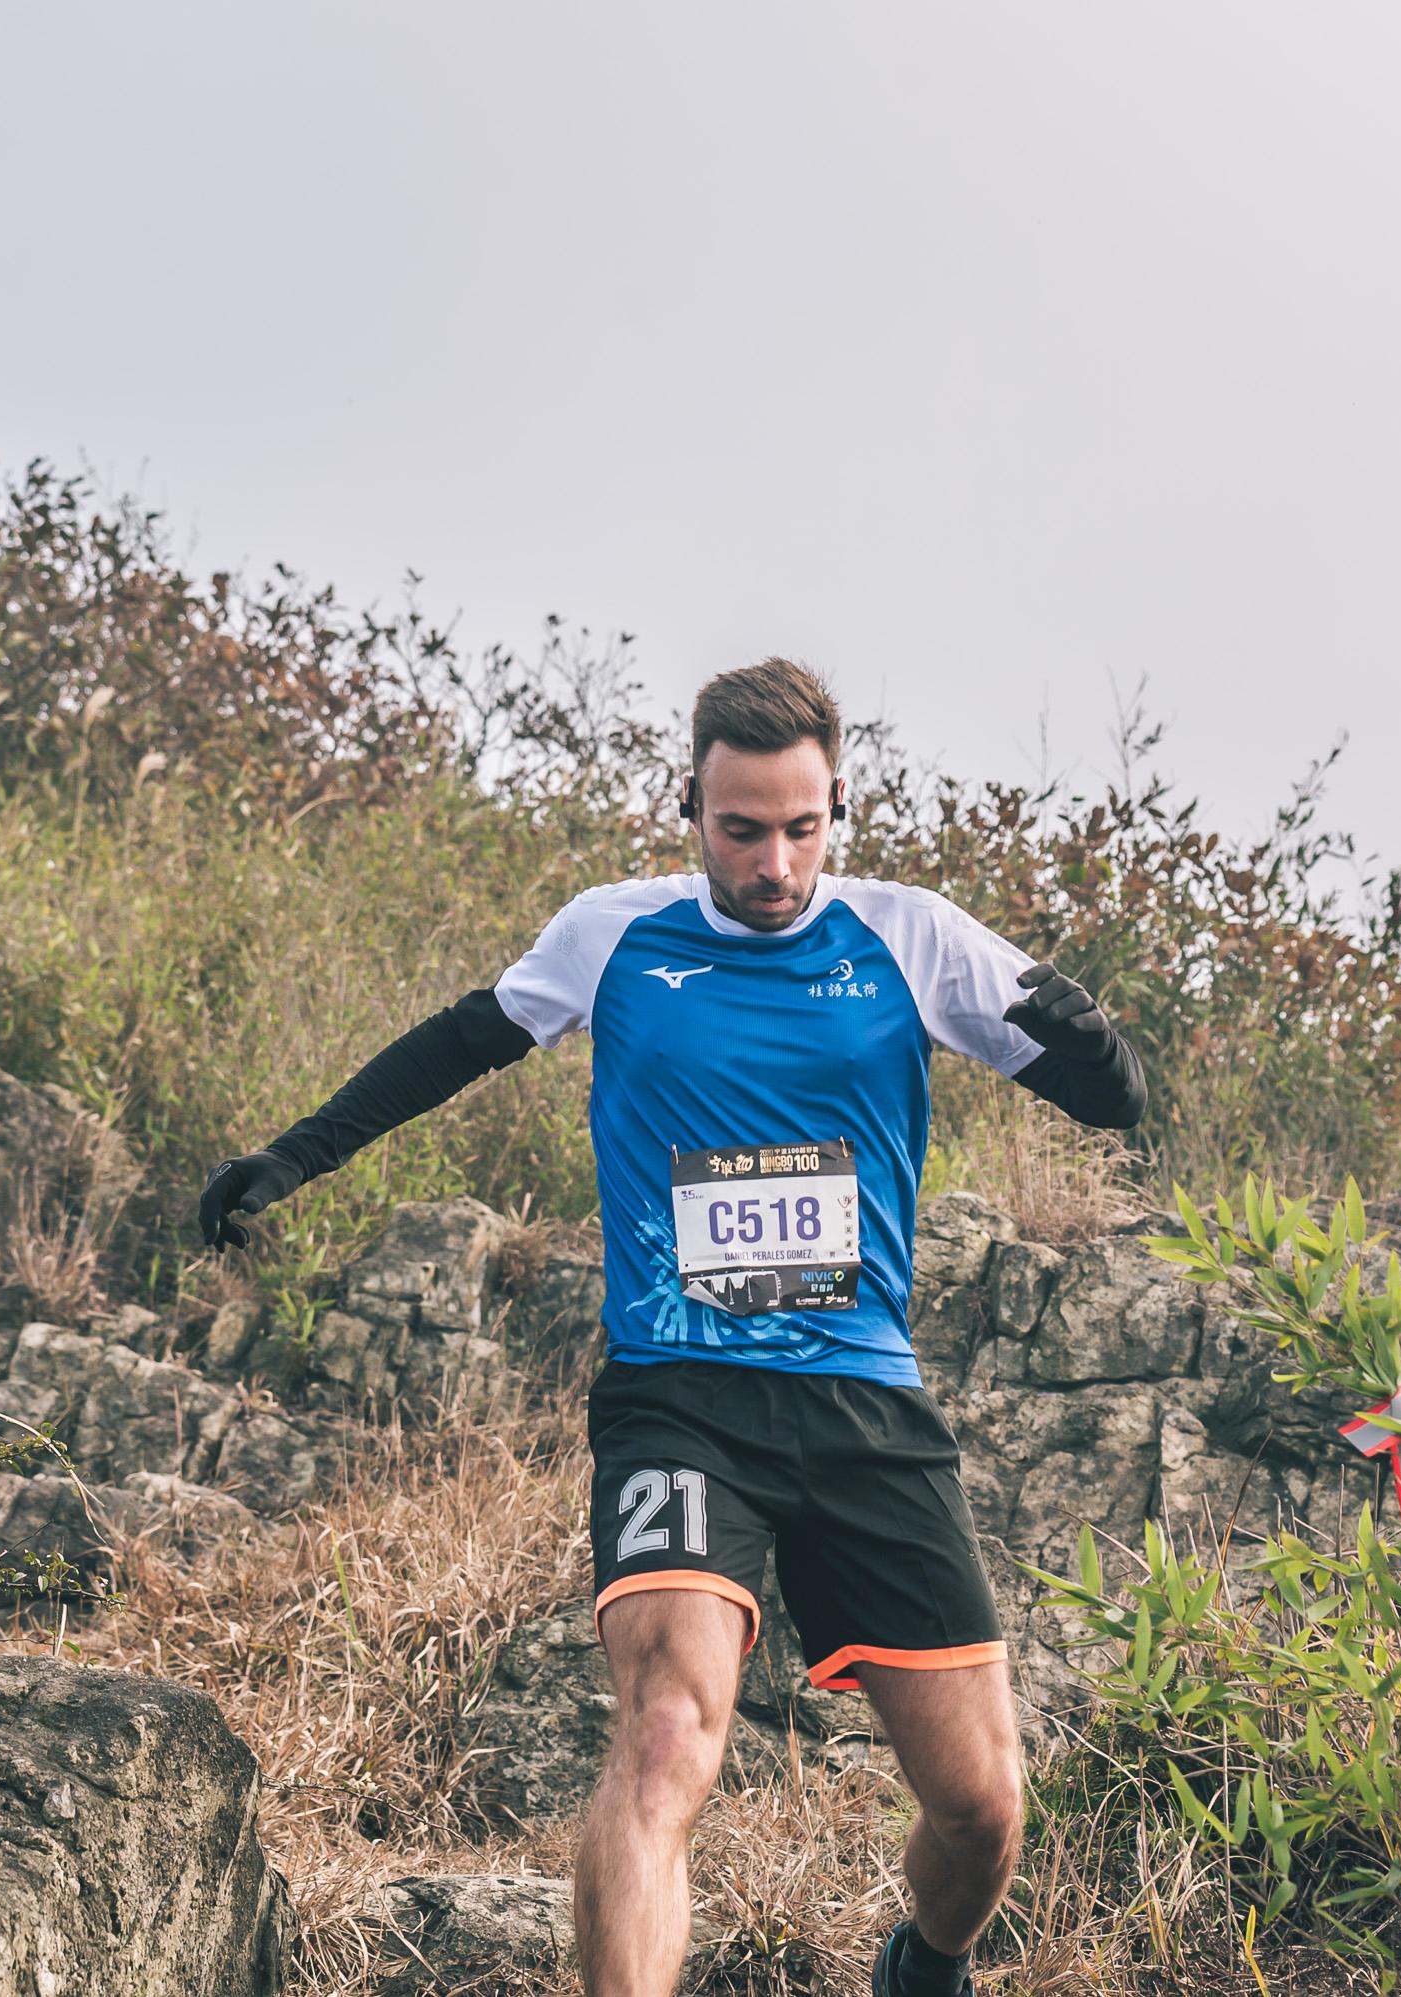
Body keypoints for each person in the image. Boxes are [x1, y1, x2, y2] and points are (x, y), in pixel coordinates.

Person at [197, 659, 1145, 1997]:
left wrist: (1094, 1044)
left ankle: (924, 1964)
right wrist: (295, 1155)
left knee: (983, 1810)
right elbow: (457, 1044)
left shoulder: (911, 936)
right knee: (663, 1740)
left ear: (838, 806)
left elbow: (1113, 1102)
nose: (774, 864)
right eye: (741, 829)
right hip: (681, 1397)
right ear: (690, 805)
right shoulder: (616, 933)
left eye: (802, 828)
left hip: (865, 1404)